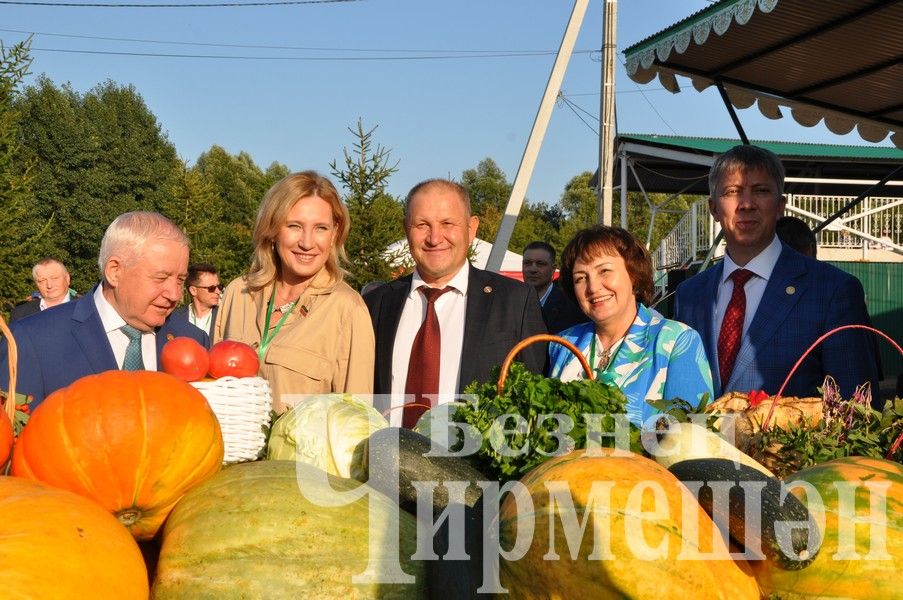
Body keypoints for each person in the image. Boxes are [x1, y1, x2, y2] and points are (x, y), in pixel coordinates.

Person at [675, 144, 880, 401]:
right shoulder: (690, 295)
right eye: (732, 192)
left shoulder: (833, 290)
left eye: (761, 191)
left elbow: (857, 412)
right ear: (713, 208)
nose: (746, 204)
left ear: (781, 205)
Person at [364, 178, 547, 428]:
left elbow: (535, 400)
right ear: (406, 229)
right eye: (422, 225)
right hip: (386, 461)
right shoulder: (376, 304)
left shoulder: (515, 301)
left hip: (474, 464)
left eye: (447, 223)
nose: (435, 237)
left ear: (471, 229)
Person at [0, 212, 208, 409]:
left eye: (180, 280)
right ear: (115, 271)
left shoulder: (193, 340)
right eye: (161, 278)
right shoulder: (31, 341)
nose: (174, 294)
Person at [214, 171, 375, 414]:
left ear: (334, 233)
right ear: (273, 229)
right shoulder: (239, 293)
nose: (307, 243)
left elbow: (355, 419)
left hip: (302, 453)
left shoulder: (347, 309)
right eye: (294, 226)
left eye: (320, 228)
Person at [548, 226, 713, 427]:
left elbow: (691, 438)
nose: (593, 287)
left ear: (633, 275)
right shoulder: (562, 344)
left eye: (604, 271)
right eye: (580, 278)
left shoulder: (675, 341)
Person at [522, 240, 588, 334]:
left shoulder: (572, 307)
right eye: (527, 263)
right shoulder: (510, 302)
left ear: (553, 269)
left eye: (540, 264)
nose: (533, 269)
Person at [9, 258, 79, 323]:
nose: (49, 285)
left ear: (67, 278)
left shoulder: (87, 308)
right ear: (36, 284)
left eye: (54, 278)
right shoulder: (20, 315)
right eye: (42, 281)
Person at [171, 263, 222, 346]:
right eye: (211, 288)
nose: (218, 291)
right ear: (193, 290)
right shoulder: (174, 318)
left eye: (219, 286)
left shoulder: (223, 317)